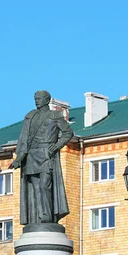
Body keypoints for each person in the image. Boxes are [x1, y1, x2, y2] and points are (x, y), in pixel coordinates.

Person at [10, 90, 74, 225]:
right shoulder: (30, 116)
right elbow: (24, 139)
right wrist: (19, 158)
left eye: (39, 98)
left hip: (46, 155)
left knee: (45, 186)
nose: (36, 100)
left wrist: (56, 146)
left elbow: (68, 133)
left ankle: (47, 216)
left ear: (47, 100)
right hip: (32, 156)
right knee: (35, 188)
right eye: (35, 98)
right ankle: (37, 218)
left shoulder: (54, 115)